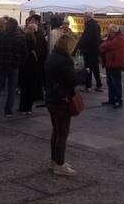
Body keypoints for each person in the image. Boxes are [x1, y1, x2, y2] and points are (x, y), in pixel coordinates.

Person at [45, 34, 87, 176]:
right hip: (61, 100)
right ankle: (60, 164)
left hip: (51, 98)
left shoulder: (52, 56)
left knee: (56, 131)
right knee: (62, 133)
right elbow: (73, 80)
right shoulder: (64, 60)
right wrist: (83, 73)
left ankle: (54, 160)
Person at [0, 17, 26, 117]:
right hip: (13, 66)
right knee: (11, 89)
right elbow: (24, 53)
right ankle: (8, 110)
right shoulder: (20, 38)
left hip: (1, 66)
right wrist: (18, 62)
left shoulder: (0, 37)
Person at [99, 24, 124, 108]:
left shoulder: (120, 38)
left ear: (114, 31)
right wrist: (104, 45)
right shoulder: (112, 38)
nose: (108, 33)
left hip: (115, 64)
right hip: (109, 63)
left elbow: (107, 45)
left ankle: (118, 100)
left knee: (116, 83)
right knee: (110, 83)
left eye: (110, 31)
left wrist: (104, 45)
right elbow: (103, 46)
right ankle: (111, 99)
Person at [19, 24, 43, 115]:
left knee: (24, 89)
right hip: (33, 70)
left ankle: (22, 108)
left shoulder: (24, 49)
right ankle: (28, 108)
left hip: (24, 70)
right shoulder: (34, 53)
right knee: (30, 89)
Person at [77, 12, 102, 92]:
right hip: (95, 50)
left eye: (84, 17)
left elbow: (86, 38)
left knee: (88, 68)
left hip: (89, 51)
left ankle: (88, 86)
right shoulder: (96, 25)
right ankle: (99, 85)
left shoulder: (89, 25)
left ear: (88, 17)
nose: (83, 19)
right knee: (95, 68)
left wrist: (78, 47)